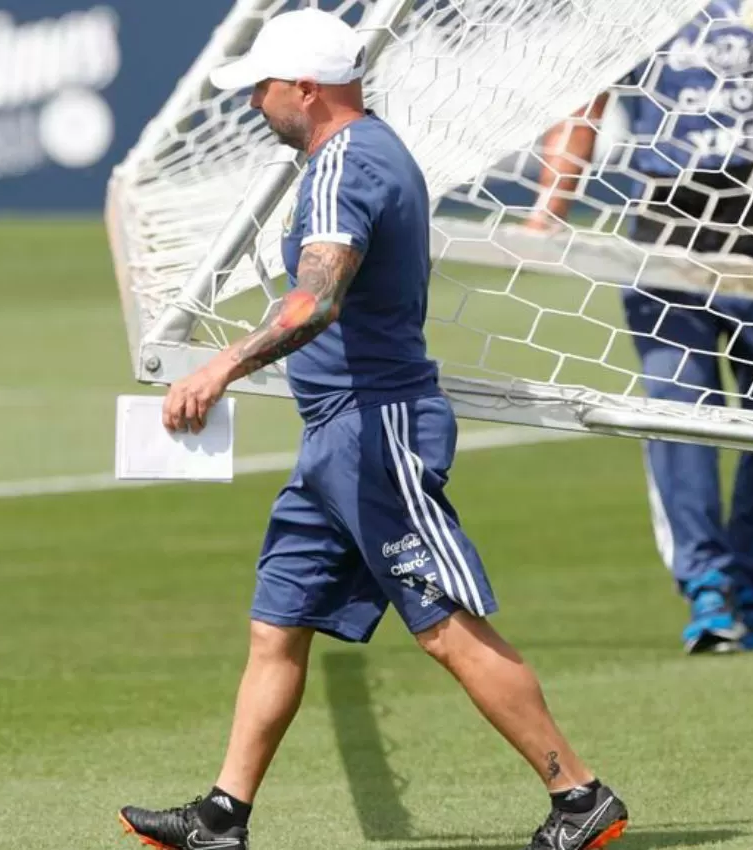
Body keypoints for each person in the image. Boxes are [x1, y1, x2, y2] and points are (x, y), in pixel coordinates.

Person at [116, 9, 629, 850]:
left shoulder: (342, 166)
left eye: (262, 90)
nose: (253, 107)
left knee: (444, 625)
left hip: (373, 431)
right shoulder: (368, 149)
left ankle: (580, 795)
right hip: (338, 435)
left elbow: (316, 302)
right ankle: (222, 816)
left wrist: (217, 367)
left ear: (306, 89)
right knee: (275, 623)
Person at [526, 0, 753, 654]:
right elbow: (588, 96)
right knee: (680, 411)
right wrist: (545, 216)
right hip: (668, 220)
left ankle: (752, 586)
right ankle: (708, 587)